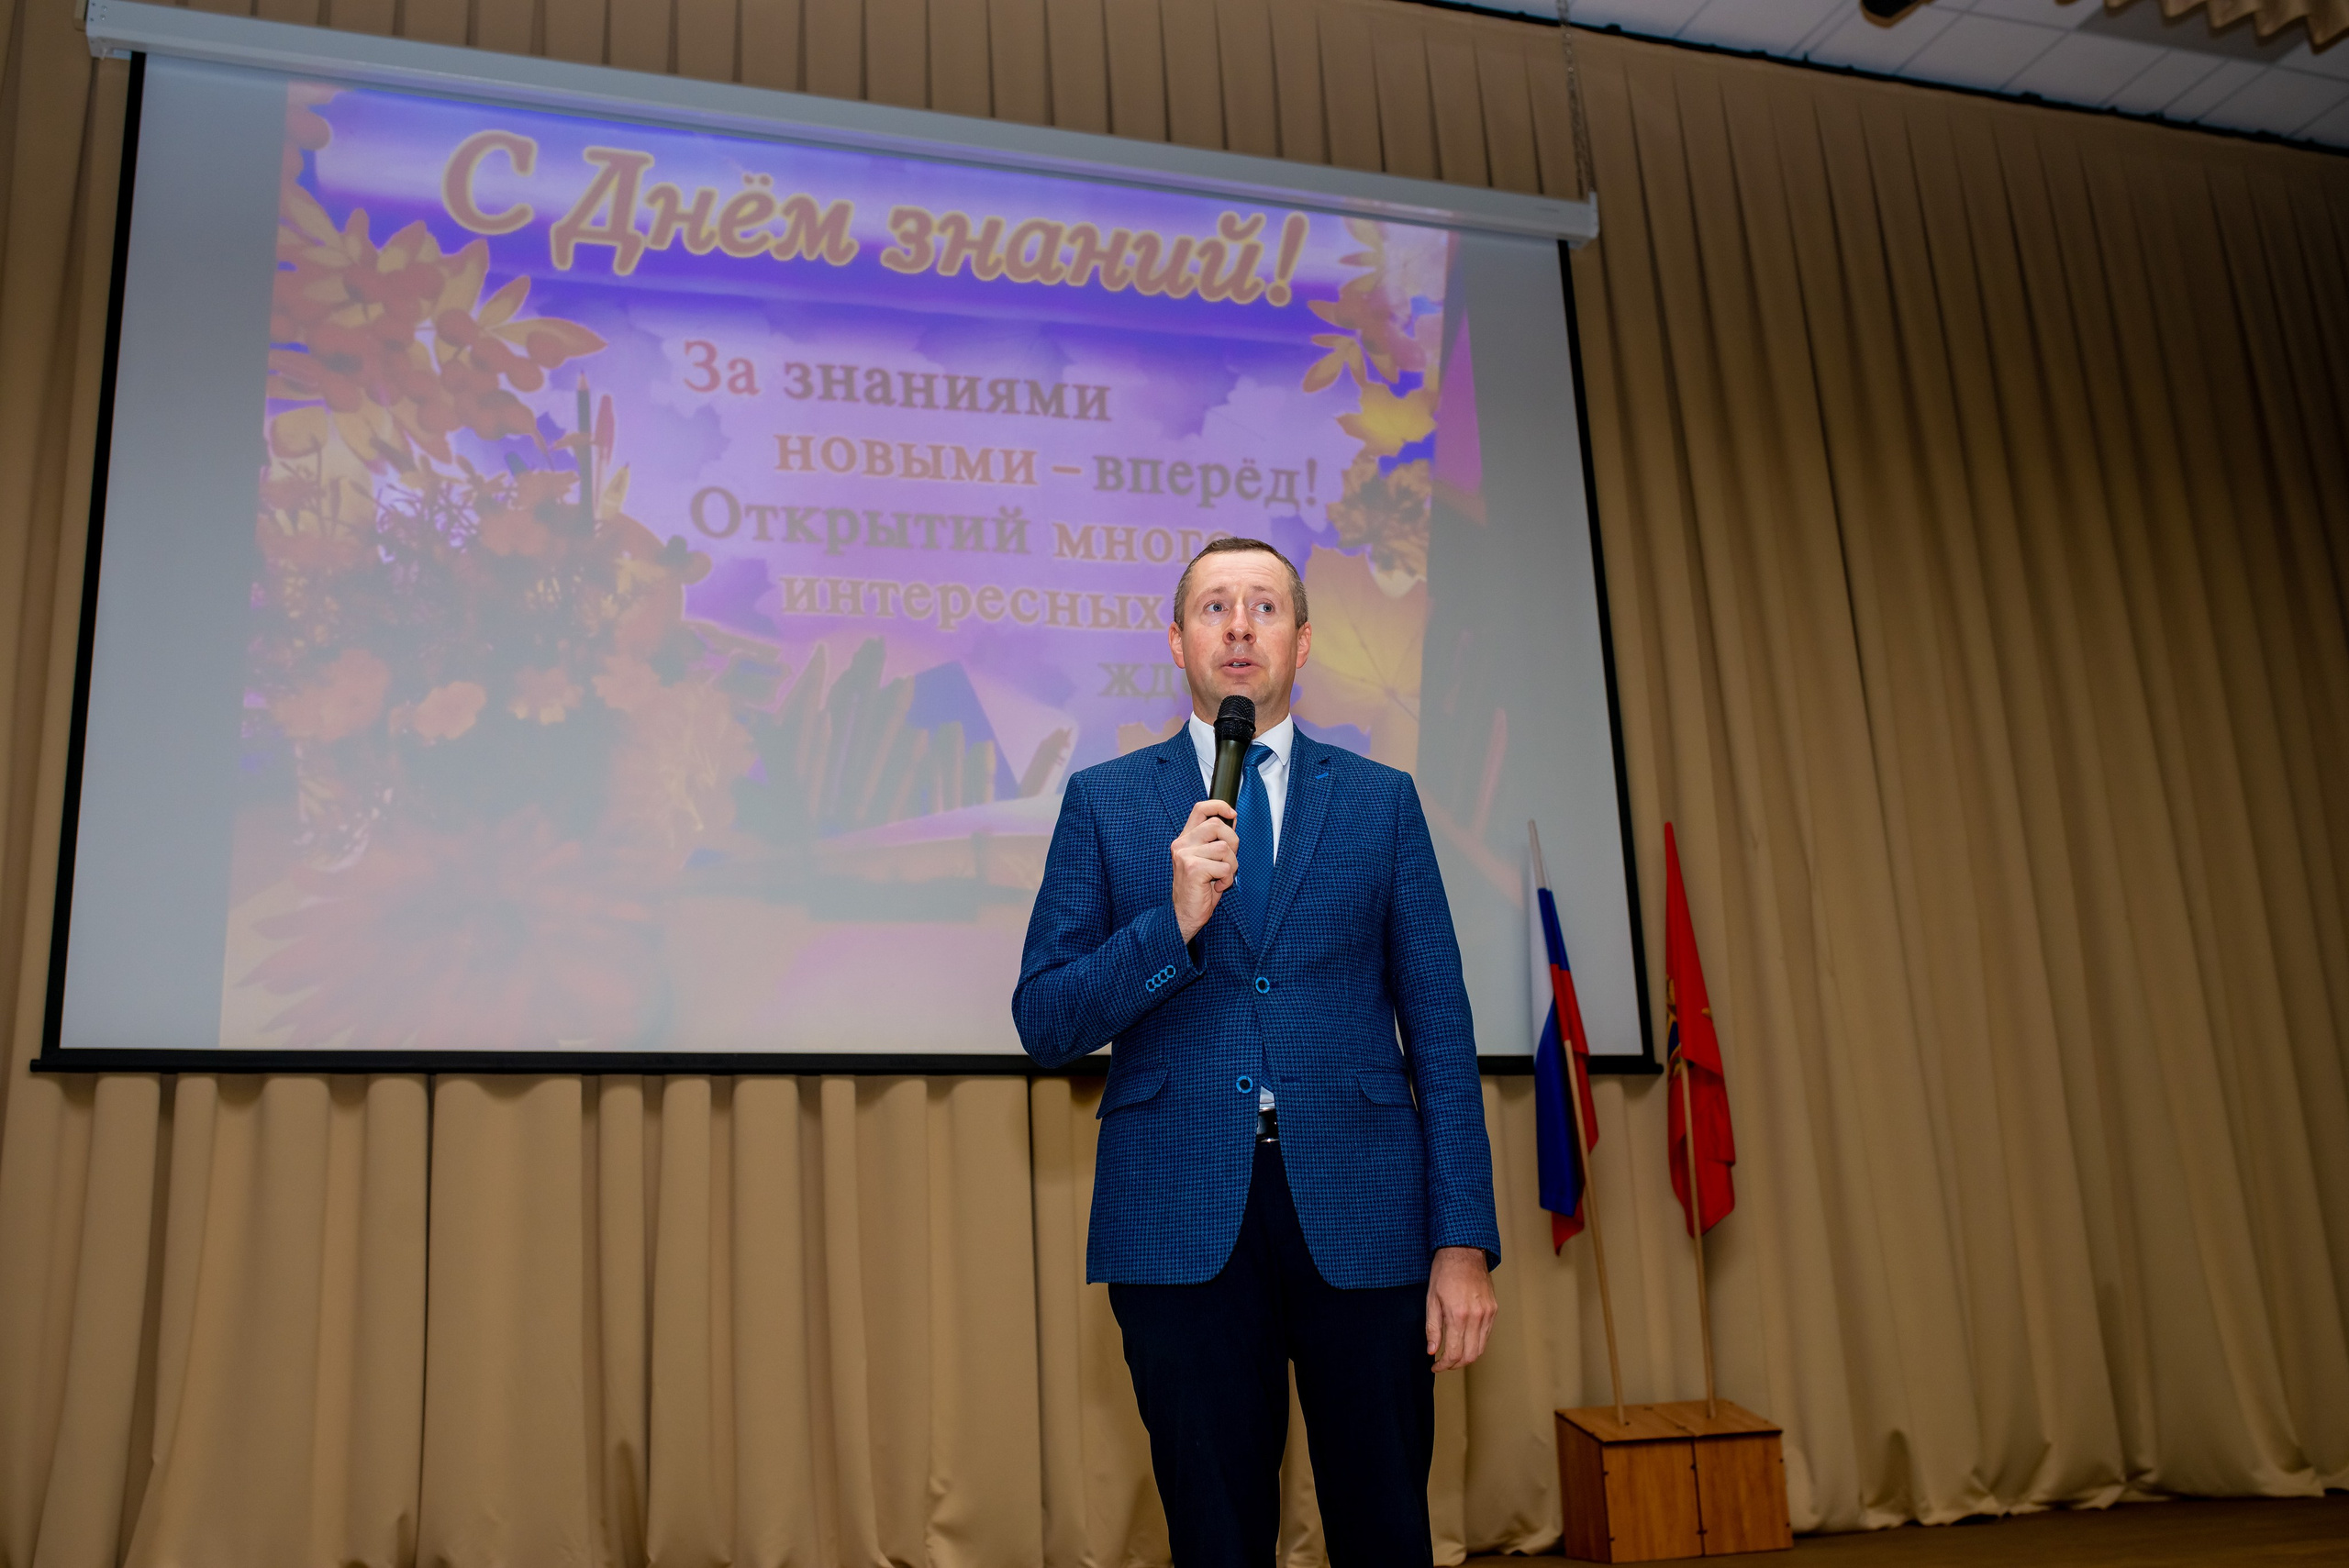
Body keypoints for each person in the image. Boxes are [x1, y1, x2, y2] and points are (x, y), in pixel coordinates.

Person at [1013, 536, 1501, 1567]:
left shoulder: (1381, 801)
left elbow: (1443, 1033)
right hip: (1179, 1213)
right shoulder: (1104, 801)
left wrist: (1461, 1240)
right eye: (1214, 607)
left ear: (1304, 638)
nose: (1239, 627)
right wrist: (1170, 921)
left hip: (1364, 1207)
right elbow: (1046, 1018)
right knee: (1218, 1535)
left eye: (1264, 607)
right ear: (1176, 639)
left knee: (1385, 1528)